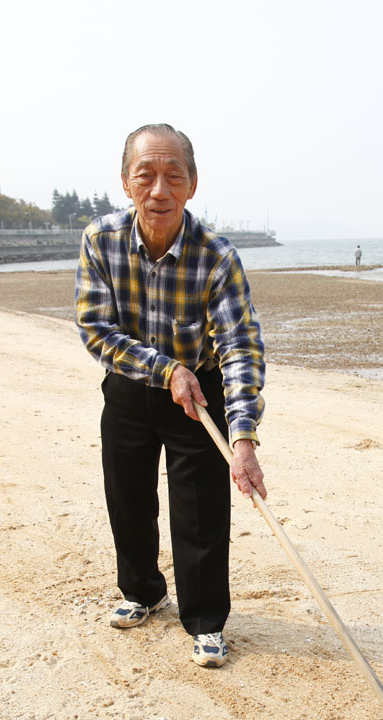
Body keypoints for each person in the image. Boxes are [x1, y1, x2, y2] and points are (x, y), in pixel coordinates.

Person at [75, 123, 266, 668]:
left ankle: (205, 621)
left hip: (198, 395)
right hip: (130, 387)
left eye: (173, 176)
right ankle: (142, 591)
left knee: (200, 510)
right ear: (125, 182)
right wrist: (164, 370)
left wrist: (244, 438)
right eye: (146, 175)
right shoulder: (100, 240)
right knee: (128, 497)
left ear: (192, 185)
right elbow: (96, 328)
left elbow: (240, 348)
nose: (159, 190)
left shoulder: (217, 256)